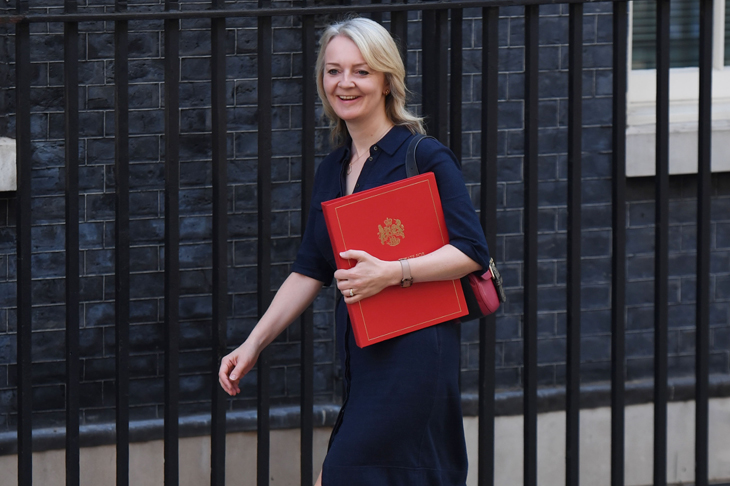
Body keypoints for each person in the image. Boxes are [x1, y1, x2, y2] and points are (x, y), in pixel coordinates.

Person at [218, 16, 491, 486]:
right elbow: (310, 268)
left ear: (387, 80)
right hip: (363, 362)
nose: (345, 83)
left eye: (361, 71)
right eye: (333, 70)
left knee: (341, 475)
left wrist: (393, 272)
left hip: (415, 359)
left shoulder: (423, 156)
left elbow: (472, 250)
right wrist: (252, 344)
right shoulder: (333, 169)